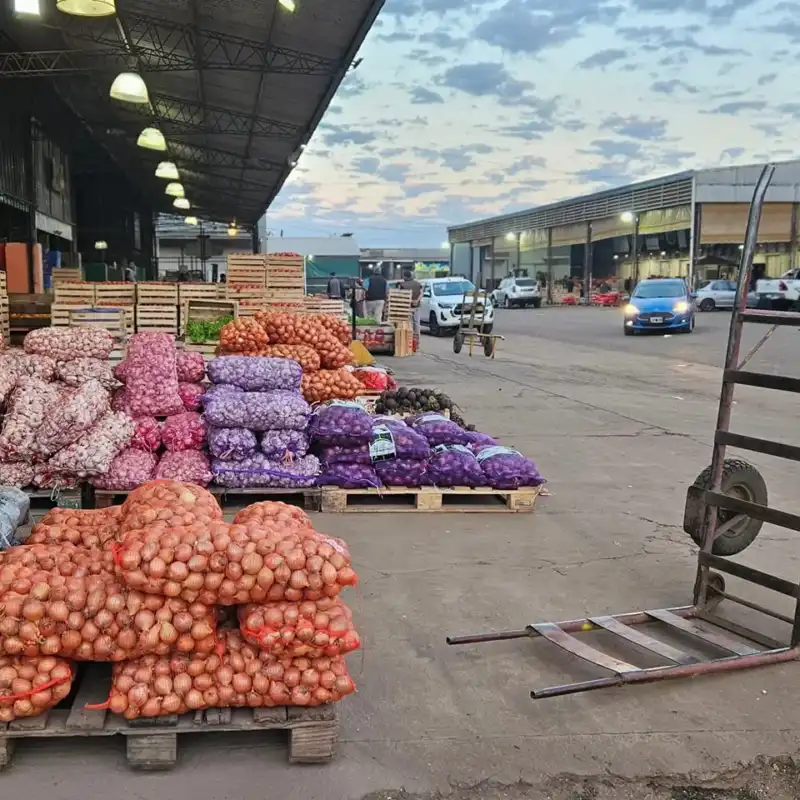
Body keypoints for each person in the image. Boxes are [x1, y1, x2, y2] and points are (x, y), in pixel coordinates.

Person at [400, 268, 422, 348]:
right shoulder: (418, 284)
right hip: (417, 306)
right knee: (417, 324)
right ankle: (417, 341)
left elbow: (402, 296)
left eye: (403, 276)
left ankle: (409, 341)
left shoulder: (403, 285)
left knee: (408, 324)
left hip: (407, 307)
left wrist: (410, 301)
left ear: (405, 276)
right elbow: (421, 293)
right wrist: (416, 300)